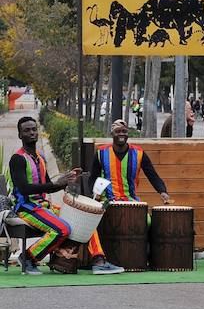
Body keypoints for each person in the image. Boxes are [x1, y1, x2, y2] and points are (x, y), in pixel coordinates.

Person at [10, 117, 124, 275]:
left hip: (43, 206)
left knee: (87, 218)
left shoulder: (40, 157)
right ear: (20, 135)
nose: (32, 133)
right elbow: (24, 189)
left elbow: (48, 187)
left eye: (34, 129)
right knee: (62, 229)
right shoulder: (17, 159)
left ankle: (99, 261)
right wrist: (58, 184)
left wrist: (66, 181)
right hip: (26, 208)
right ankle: (28, 257)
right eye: (27, 130)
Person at [90, 119, 171, 203]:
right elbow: (93, 176)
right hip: (107, 201)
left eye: (124, 131)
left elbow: (152, 175)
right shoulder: (101, 152)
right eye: (117, 131)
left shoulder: (139, 153)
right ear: (112, 134)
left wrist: (162, 191)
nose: (121, 134)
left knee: (145, 216)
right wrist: (94, 193)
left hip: (130, 201)